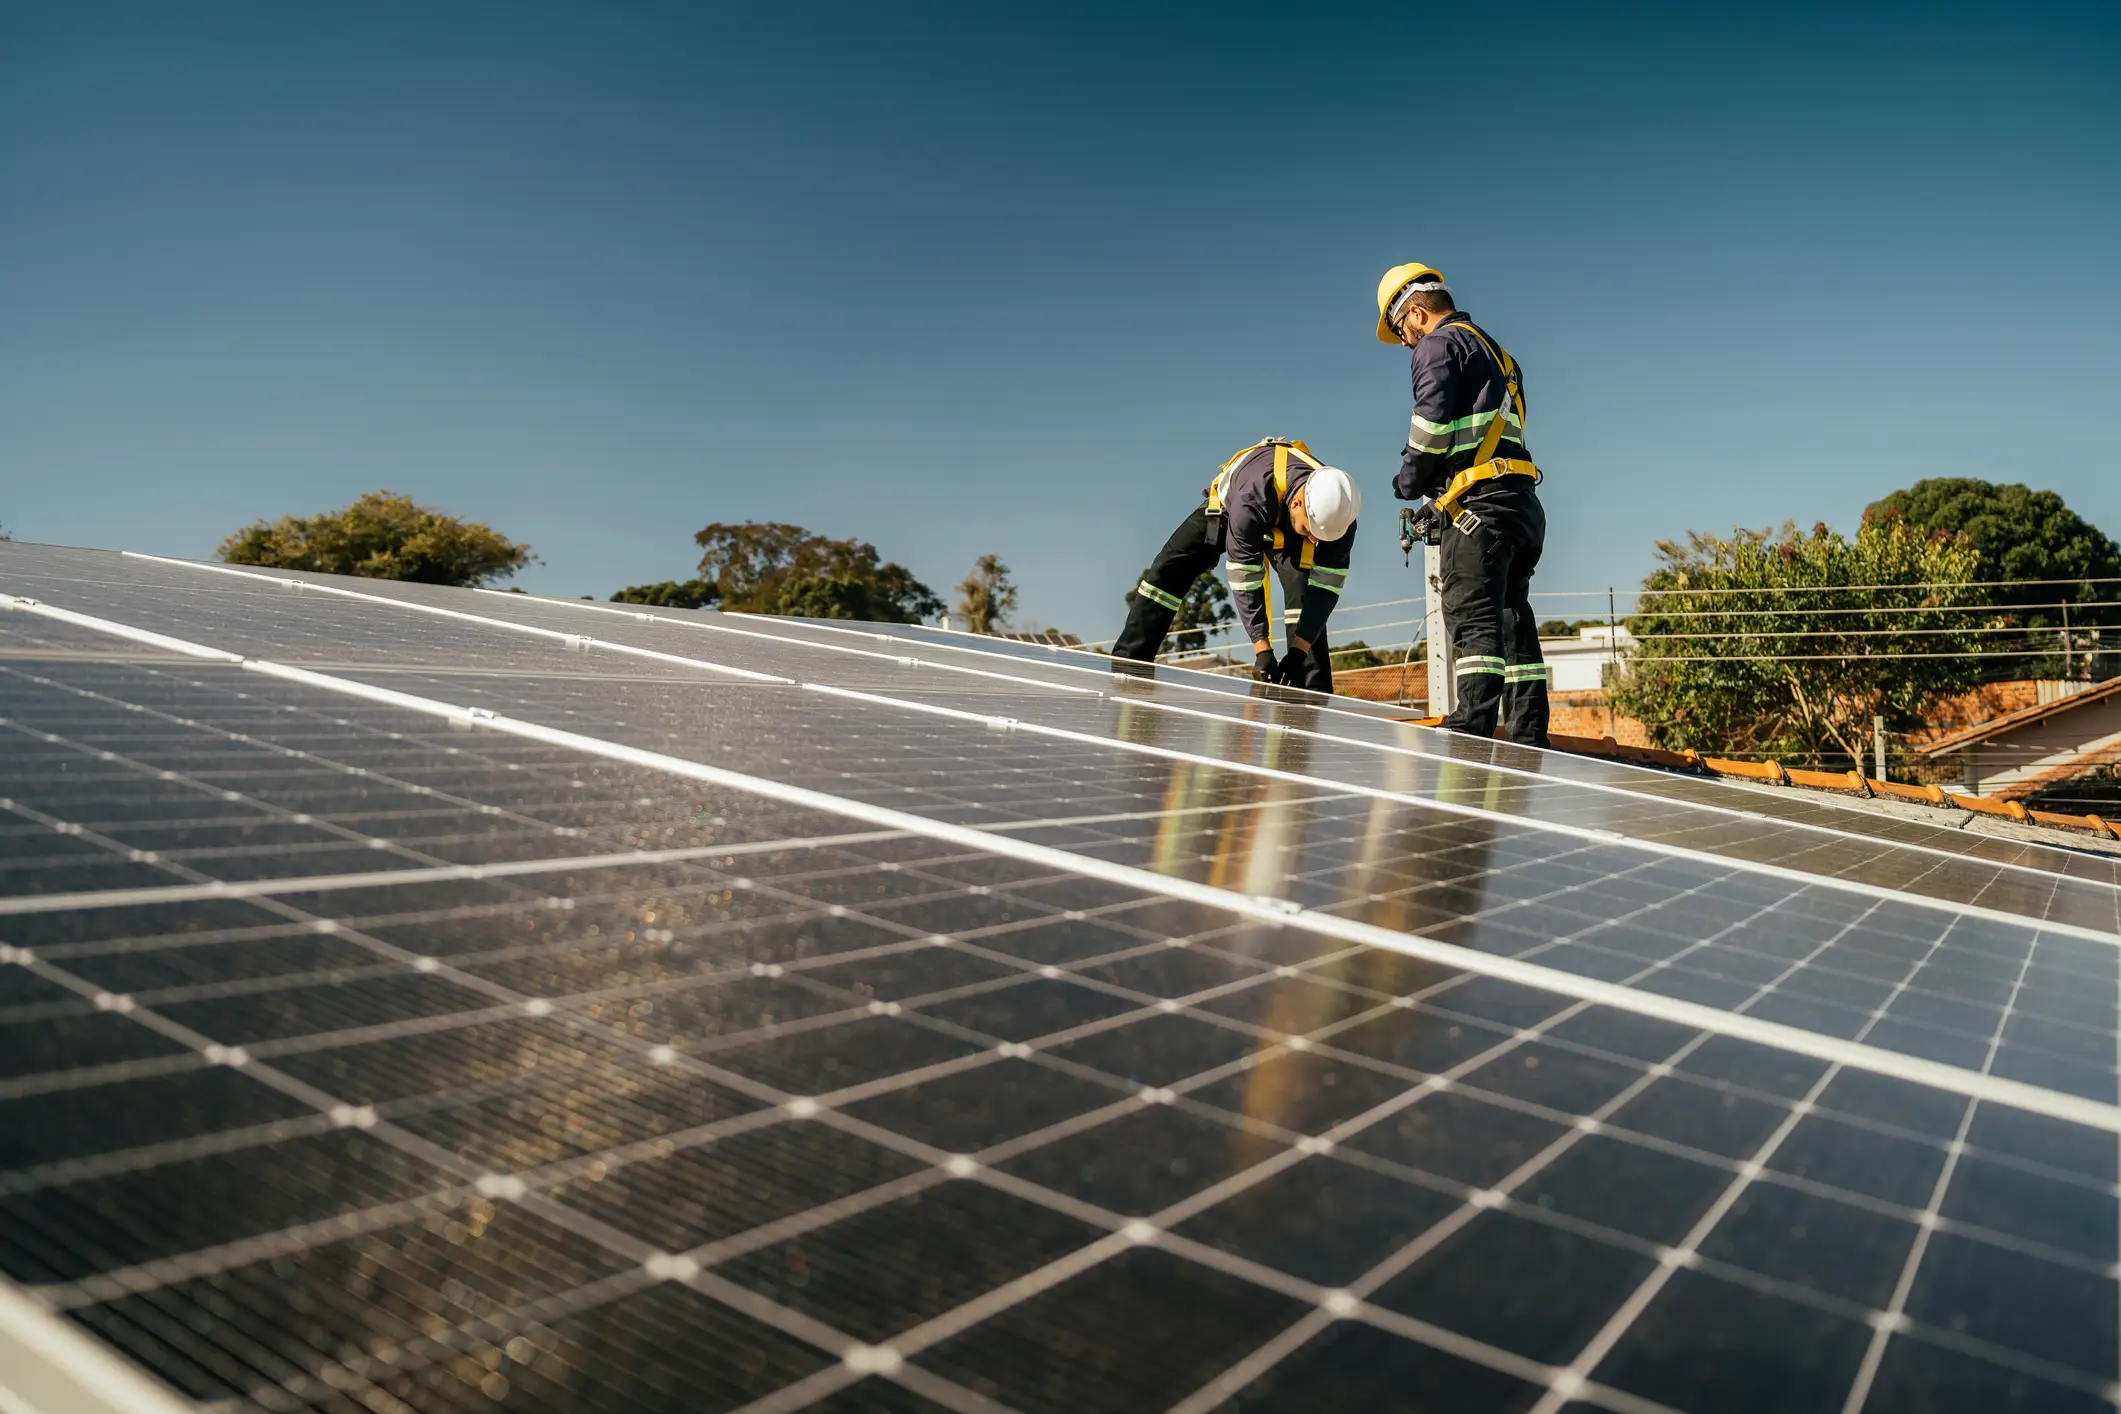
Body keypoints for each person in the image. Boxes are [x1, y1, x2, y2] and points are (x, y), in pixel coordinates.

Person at [1376, 262, 1550, 747]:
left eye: (1400, 329)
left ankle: (1469, 741)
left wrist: (1407, 481)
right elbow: (1479, 436)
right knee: (1514, 621)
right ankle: (1529, 739)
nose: (1405, 341)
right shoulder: (1502, 355)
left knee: (1473, 623)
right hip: (1521, 505)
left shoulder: (1438, 345)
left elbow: (1430, 431)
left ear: (1414, 312)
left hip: (1480, 511)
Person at [1112, 437, 1361, 689]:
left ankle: (1311, 688)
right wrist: (1261, 649)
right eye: (1309, 531)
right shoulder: (1251, 498)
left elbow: (1326, 590)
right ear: (1297, 504)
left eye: (1319, 536)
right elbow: (1245, 578)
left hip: (1286, 522)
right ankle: (1130, 663)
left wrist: (1299, 651)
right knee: (1168, 570)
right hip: (1232, 510)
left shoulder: (1340, 517)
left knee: (1304, 594)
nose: (1313, 539)